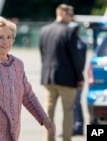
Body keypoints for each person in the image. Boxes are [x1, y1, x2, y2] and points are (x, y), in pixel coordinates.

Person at [0, 16, 56, 141]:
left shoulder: (17, 64)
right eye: (0, 37)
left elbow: (28, 96)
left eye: (9, 37)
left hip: (13, 134)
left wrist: (44, 119)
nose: (6, 42)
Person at [39, 3, 84, 141]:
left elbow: (43, 54)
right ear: (63, 14)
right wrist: (80, 77)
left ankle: (49, 139)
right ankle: (66, 139)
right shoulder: (69, 32)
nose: (73, 17)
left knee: (49, 112)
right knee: (68, 111)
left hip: (48, 78)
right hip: (67, 79)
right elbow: (75, 58)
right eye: (71, 14)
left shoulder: (44, 30)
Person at [68, 21, 87, 136]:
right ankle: (77, 125)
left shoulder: (72, 43)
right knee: (76, 103)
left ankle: (77, 126)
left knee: (74, 103)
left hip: (73, 77)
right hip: (78, 76)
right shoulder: (82, 44)